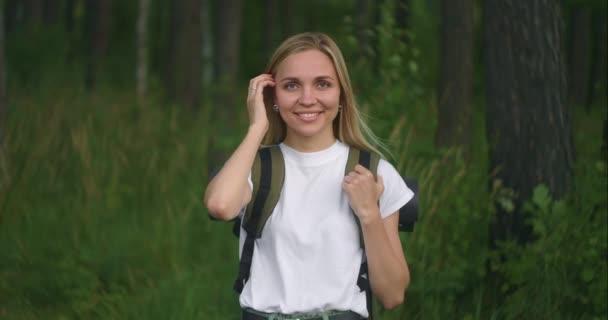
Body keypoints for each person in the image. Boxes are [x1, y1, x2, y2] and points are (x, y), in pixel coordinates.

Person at [204, 32, 413, 320]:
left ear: (341, 94)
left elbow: (392, 295)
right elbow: (219, 205)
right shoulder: (254, 167)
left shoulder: (374, 172)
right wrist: (257, 128)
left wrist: (369, 214)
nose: (307, 98)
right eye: (291, 85)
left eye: (322, 84)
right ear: (272, 96)